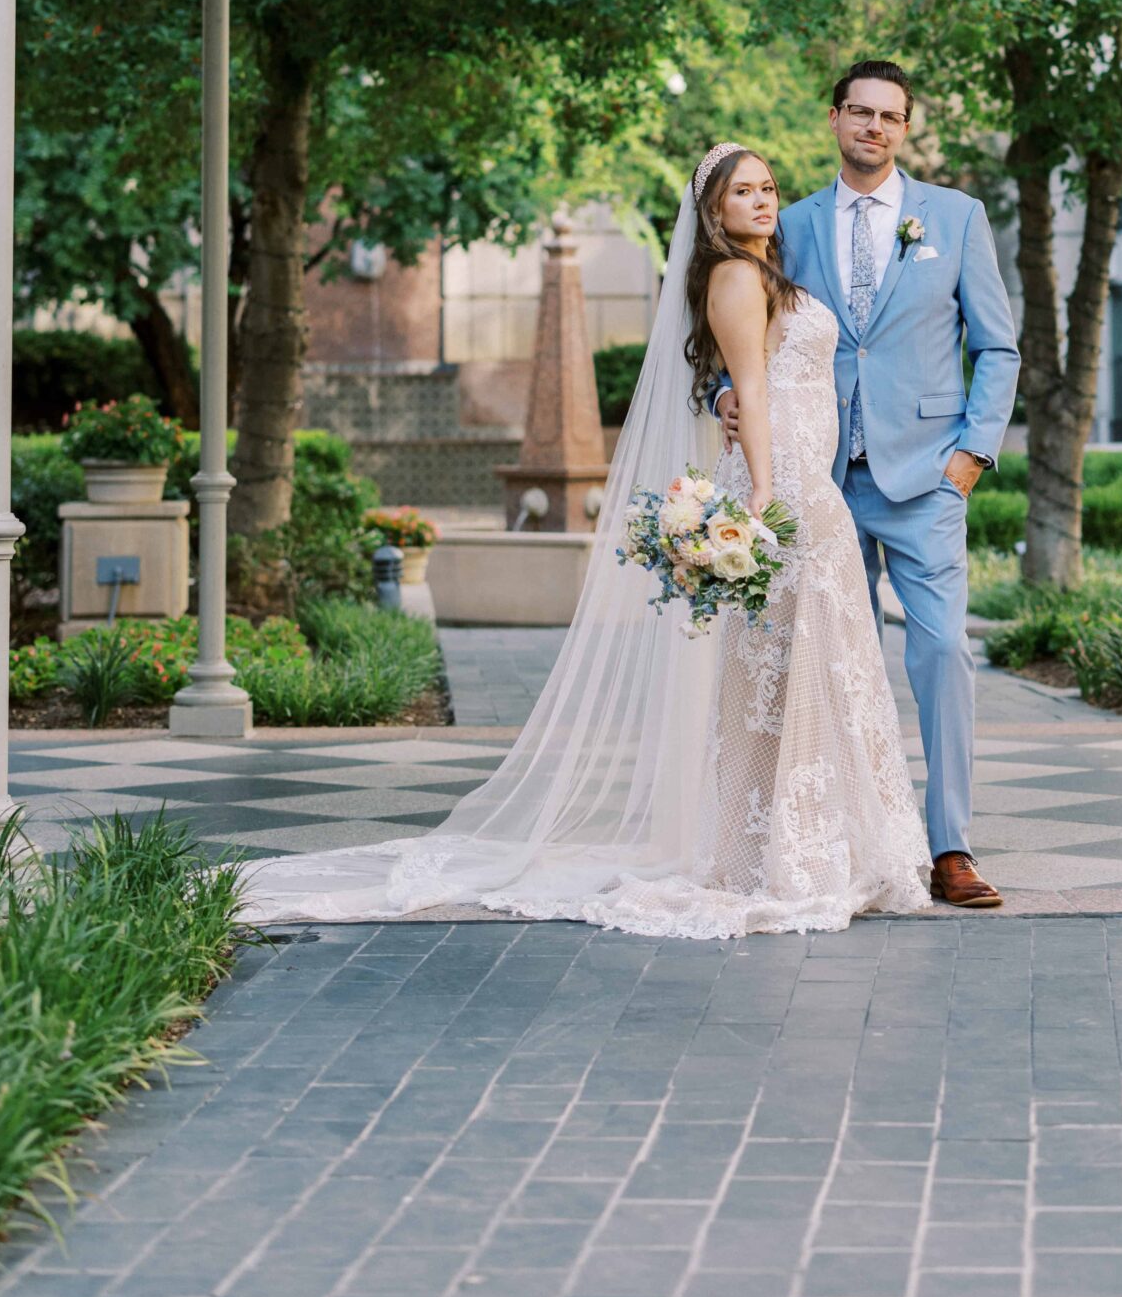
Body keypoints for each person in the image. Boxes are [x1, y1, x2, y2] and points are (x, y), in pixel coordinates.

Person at [239, 140, 930, 938]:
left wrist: (756, 443)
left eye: (768, 188)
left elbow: (750, 389)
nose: (763, 202)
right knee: (781, 676)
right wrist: (769, 498)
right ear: (714, 211)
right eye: (743, 193)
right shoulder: (737, 278)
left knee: (809, 670)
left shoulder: (767, 273)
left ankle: (798, 847)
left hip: (812, 491)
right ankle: (783, 858)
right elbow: (752, 391)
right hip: (790, 498)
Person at [718, 61, 1020, 909]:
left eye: (891, 117)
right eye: (860, 112)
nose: (874, 128)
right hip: (815, 481)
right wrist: (725, 401)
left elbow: (997, 346)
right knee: (827, 662)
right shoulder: (793, 222)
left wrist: (971, 457)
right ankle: (840, 838)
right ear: (834, 119)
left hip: (926, 475)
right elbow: (744, 338)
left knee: (941, 654)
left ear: (906, 128)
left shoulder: (955, 218)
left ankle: (951, 846)